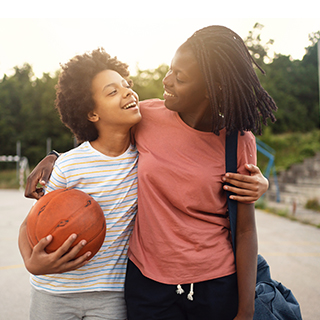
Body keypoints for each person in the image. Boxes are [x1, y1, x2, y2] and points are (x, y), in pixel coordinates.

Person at [23, 25, 275, 320]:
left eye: (179, 77)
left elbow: (245, 230)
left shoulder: (238, 140)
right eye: (171, 69)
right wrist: (56, 158)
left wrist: (246, 309)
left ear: (213, 88)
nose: (166, 80)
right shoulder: (148, 117)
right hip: (148, 282)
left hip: (214, 283)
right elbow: (103, 133)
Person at [18, 48, 141, 320]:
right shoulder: (69, 166)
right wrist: (32, 263)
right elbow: (30, 224)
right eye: (112, 92)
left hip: (110, 294)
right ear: (92, 114)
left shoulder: (146, 158)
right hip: (54, 291)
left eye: (127, 85)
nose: (128, 92)